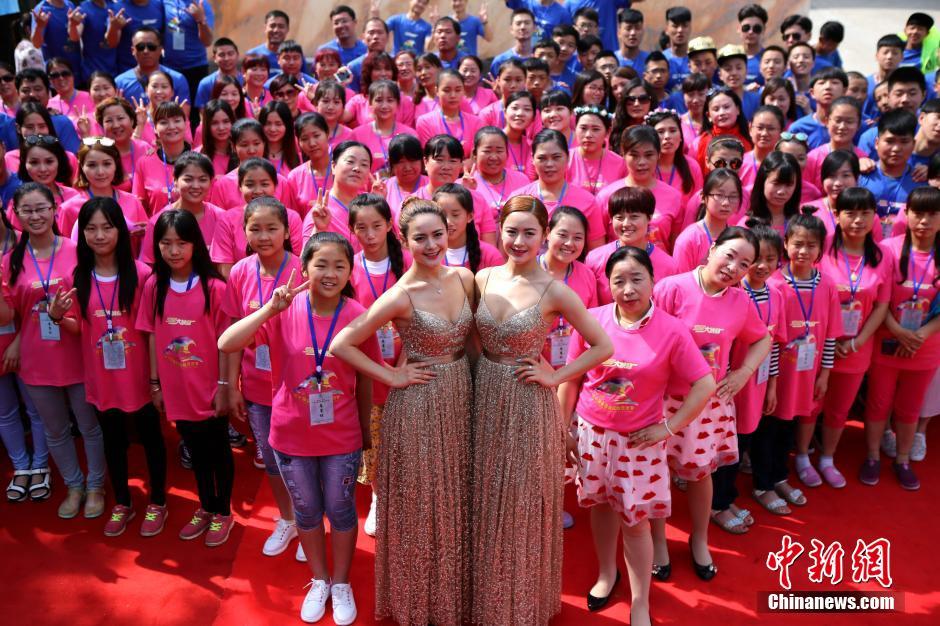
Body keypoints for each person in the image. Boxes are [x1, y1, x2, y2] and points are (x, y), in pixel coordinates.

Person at [471, 195, 612, 625]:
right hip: (483, 396)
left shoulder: (555, 290)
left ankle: (519, 605)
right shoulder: (482, 277)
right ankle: (488, 599)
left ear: (544, 235)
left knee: (520, 503)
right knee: (485, 499)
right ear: (498, 231)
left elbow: (603, 345)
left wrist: (556, 376)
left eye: (529, 232)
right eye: (511, 231)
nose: (519, 240)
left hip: (528, 402)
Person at [219, 232, 373, 625]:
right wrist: (269, 310)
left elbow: (365, 380)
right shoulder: (284, 310)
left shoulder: (358, 314)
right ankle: (319, 579)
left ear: (350, 272)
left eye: (339, 266)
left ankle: (341, 582)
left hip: (341, 436)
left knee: (340, 508)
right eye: (321, 264)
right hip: (290, 434)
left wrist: (365, 432)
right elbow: (227, 343)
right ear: (303, 268)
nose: (330, 273)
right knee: (306, 510)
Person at [331, 197, 473, 626]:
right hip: (417, 406)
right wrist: (390, 376)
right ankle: (421, 602)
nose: (431, 245)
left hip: (461, 397)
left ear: (449, 232)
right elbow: (342, 344)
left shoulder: (465, 277)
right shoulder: (400, 295)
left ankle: (454, 594)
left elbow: (472, 342)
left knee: (457, 497)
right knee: (423, 503)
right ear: (404, 240)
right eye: (420, 238)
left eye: (438, 234)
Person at [559, 245, 715, 624]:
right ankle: (606, 574)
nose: (628, 289)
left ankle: (640, 601)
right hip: (592, 435)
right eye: (619, 281)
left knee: (635, 522)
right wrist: (561, 428)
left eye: (636, 279)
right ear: (608, 285)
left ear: (653, 281)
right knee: (600, 507)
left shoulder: (671, 330)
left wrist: (668, 428)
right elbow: (571, 378)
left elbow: (704, 383)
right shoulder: (592, 320)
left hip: (638, 443)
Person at [650, 226, 771, 581]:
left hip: (708, 405)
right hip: (662, 400)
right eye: (730, 255)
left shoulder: (740, 301)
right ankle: (658, 542)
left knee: (701, 474)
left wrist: (743, 372)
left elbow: (763, 339)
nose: (734, 267)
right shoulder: (671, 288)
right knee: (656, 472)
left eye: (744, 264)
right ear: (713, 248)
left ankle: (699, 539)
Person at [0, 182, 106, 519]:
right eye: (27, 210)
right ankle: (74, 486)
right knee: (55, 430)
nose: (35, 216)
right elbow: (9, 316)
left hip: (78, 351)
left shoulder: (77, 250)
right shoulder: (9, 262)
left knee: (89, 426)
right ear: (15, 215)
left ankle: (96, 486)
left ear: (54, 210)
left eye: (41, 208)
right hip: (36, 359)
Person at [72, 196, 167, 536]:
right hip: (102, 376)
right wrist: (55, 316)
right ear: (82, 233)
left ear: (121, 232)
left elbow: (153, 331)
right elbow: (79, 327)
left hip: (139, 376)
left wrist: (155, 381)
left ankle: (158, 501)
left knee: (151, 437)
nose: (99, 235)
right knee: (111, 440)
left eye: (107, 227)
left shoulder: (141, 275)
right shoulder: (79, 276)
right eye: (91, 228)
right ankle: (123, 501)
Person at [221, 196, 304, 558]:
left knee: (303, 457)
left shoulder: (302, 269)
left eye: (272, 228)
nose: (264, 236)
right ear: (245, 233)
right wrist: (230, 384)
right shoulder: (240, 272)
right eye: (256, 228)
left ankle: (310, 520)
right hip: (257, 384)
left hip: (300, 386)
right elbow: (231, 333)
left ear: (286, 231)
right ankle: (287, 518)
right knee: (272, 459)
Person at [861, 187, 940, 490]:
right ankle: (872, 456)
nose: (924, 221)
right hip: (887, 342)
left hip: (925, 346)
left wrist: (920, 335)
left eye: (932, 214)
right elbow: (879, 300)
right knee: (878, 403)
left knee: (910, 406)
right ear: (906, 214)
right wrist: (898, 331)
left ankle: (903, 459)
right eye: (918, 213)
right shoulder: (888, 250)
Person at [812, 188, 890, 488]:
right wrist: (829, 341)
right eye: (850, 213)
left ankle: (827, 457)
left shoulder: (882, 255)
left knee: (839, 407)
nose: (858, 220)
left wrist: (856, 342)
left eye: (865, 213)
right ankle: (803, 455)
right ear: (836, 215)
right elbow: (812, 295)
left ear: (874, 217)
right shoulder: (823, 248)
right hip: (820, 344)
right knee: (811, 403)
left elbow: (882, 305)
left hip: (857, 347)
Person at [764, 211, 842, 496]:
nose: (803, 251)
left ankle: (781, 474)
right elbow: (769, 340)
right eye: (797, 244)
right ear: (785, 244)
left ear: (821, 249)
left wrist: (825, 374)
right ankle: (767, 479)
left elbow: (831, 335)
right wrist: (771, 380)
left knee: (792, 423)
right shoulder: (774, 284)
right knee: (771, 426)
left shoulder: (828, 285)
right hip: (777, 374)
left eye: (811, 245)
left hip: (809, 372)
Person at [344, 193, 409, 537]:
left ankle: (407, 497)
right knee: (375, 438)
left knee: (407, 438)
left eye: (376, 226)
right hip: (367, 369)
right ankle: (378, 497)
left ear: (389, 226)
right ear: (352, 230)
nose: (369, 235)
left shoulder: (408, 262)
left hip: (408, 363)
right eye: (361, 228)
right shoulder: (350, 266)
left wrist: (405, 362)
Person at [719, 220, 787, 521]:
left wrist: (772, 386)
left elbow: (773, 345)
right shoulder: (733, 293)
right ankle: (720, 501)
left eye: (770, 259)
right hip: (729, 386)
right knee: (728, 443)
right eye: (756, 259)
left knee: (747, 439)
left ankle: (730, 495)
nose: (762, 266)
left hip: (757, 385)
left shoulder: (776, 295)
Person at [513, 128, 605, 249]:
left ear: (567, 158)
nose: (549, 164)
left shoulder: (587, 202)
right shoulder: (518, 199)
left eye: (556, 157)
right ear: (533, 159)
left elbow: (596, 252)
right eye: (542, 158)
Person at [585, 187, 678, 305]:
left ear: (649, 217)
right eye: (619, 217)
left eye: (634, 216)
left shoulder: (669, 266)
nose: (626, 224)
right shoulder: (595, 259)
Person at [597, 126, 683, 252]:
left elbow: (675, 247)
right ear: (623, 155)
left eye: (649, 155)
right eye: (634, 155)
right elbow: (599, 250)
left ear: (659, 155)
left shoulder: (674, 197)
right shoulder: (606, 196)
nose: (642, 162)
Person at [859, 109, 921, 238]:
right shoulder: (860, 176)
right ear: (877, 143)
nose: (896, 148)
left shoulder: (921, 181)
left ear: (913, 144)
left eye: (904, 142)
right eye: (890, 141)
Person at [673, 168, 743, 273]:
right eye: (719, 195)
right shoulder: (688, 239)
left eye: (733, 196)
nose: (726, 203)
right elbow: (681, 280)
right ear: (703, 197)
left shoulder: (737, 239)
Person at [114, 27, 191, 107]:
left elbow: (183, 113)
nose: (146, 51)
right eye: (140, 47)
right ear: (133, 50)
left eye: (151, 47)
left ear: (161, 49)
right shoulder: (120, 83)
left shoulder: (177, 79)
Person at [434, 183, 503, 270]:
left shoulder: (490, 256)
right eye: (442, 215)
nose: (448, 222)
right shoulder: (428, 254)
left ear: (470, 216)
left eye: (455, 215)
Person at [567, 105, 623, 196]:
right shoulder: (565, 160)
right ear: (575, 128)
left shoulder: (620, 164)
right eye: (583, 128)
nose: (588, 135)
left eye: (596, 129)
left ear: (608, 132)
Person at [788, 67, 849, 149]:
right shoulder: (799, 127)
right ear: (812, 93)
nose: (828, 87)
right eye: (821, 83)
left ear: (844, 91)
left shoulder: (854, 126)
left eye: (834, 83)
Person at [488, 8, 535, 77]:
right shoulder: (500, 61)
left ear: (534, 28)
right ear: (511, 29)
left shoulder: (540, 58)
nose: (523, 27)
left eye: (527, 23)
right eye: (518, 24)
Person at [737, 4, 768, 85]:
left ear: (764, 30)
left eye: (756, 28)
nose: (750, 32)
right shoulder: (728, 57)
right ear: (738, 28)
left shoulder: (769, 60)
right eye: (746, 28)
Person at [614, 9, 648, 75]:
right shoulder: (612, 61)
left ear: (643, 31)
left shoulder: (649, 61)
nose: (633, 33)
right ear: (619, 32)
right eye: (628, 28)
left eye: (637, 28)